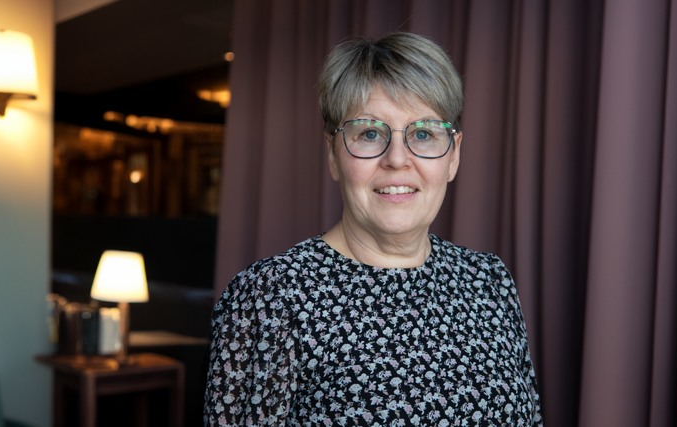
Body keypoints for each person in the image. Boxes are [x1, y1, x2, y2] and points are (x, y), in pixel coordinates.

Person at [204, 32, 543, 426]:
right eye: (369, 133)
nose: (397, 159)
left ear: (453, 157)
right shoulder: (270, 297)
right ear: (333, 154)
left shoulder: (489, 281)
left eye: (423, 133)